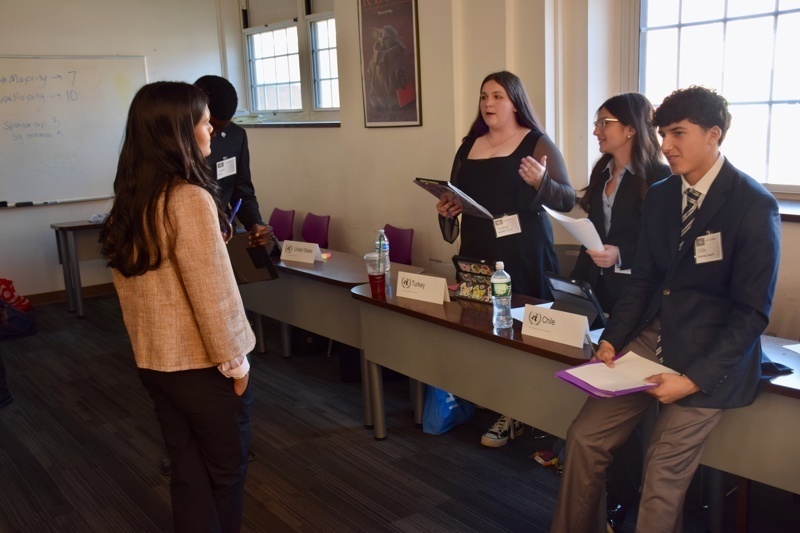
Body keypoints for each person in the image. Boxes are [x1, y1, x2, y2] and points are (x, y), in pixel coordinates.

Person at [551, 86, 781, 533]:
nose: (667, 145)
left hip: (711, 353)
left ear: (714, 134)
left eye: (678, 133)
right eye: (662, 134)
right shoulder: (660, 194)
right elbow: (644, 280)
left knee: (661, 468)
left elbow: (751, 314)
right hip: (653, 338)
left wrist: (692, 380)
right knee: (584, 437)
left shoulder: (753, 205)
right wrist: (612, 339)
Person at [100, 81, 256, 533]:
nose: (212, 131)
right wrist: (237, 365)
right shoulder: (189, 198)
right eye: (205, 123)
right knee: (225, 476)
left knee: (188, 475)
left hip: (155, 362)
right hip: (202, 367)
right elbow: (213, 295)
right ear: (179, 132)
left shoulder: (133, 198)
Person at [436, 71, 576, 447]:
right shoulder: (469, 146)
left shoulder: (536, 142)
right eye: (484, 96)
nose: (488, 103)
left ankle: (519, 412)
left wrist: (541, 182)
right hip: (479, 246)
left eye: (498, 96)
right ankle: (495, 396)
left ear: (515, 102)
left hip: (523, 251)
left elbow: (567, 198)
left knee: (521, 330)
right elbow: (455, 195)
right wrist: (447, 208)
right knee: (481, 322)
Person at [569, 93, 670, 531]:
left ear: (630, 129)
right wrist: (574, 287)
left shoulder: (658, 177)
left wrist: (620, 254)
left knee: (625, 401)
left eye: (604, 123)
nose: (596, 131)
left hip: (639, 301)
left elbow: (659, 248)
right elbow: (593, 235)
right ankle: (595, 478)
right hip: (600, 291)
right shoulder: (601, 171)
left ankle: (623, 493)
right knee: (598, 384)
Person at [194, 75, 270, 248]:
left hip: (225, 235)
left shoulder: (236, 136)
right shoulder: (177, 144)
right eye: (209, 124)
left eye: (221, 127)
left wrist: (256, 223)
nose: (213, 133)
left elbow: (242, 192)